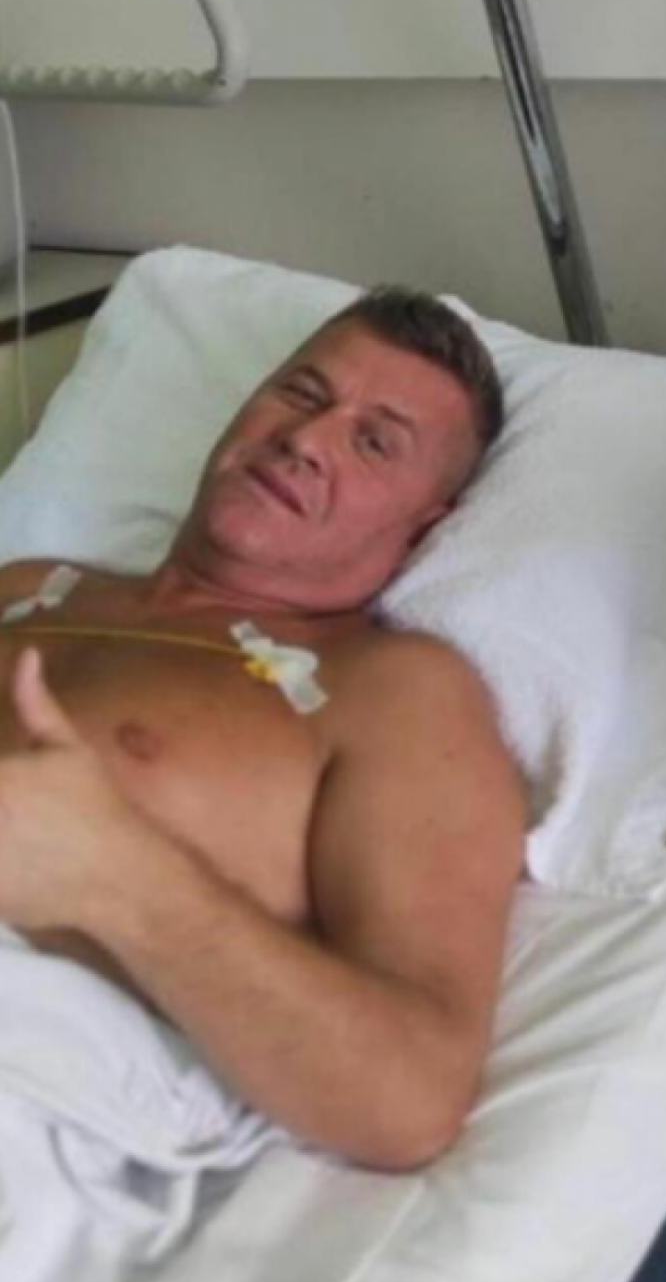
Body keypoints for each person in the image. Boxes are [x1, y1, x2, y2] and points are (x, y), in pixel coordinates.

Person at [0, 287, 528, 1173]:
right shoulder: (31, 587)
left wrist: (114, 870)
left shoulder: (395, 690)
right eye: (302, 393)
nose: (307, 439)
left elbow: (412, 1100)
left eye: (374, 442)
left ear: (423, 526)